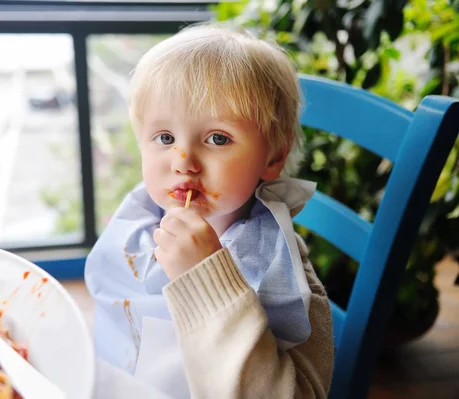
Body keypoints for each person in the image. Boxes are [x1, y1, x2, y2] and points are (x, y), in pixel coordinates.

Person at [85, 23, 334, 398]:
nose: (183, 162)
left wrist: (205, 280)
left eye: (218, 138)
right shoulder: (139, 225)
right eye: (165, 138)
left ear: (274, 156)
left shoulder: (283, 275)